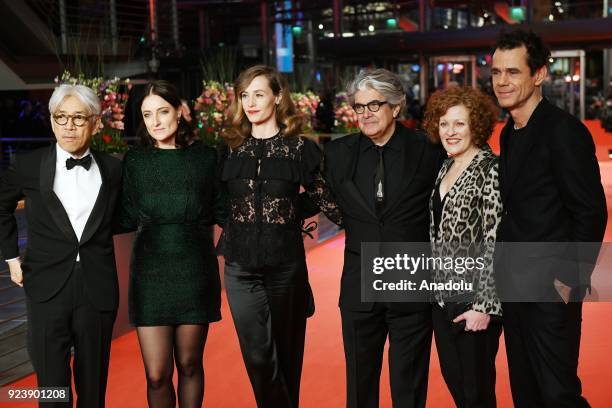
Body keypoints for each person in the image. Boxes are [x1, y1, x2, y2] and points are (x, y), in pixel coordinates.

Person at [491, 29, 607, 407]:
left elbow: (590, 210)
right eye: (496, 72)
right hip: (514, 285)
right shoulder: (510, 133)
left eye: (513, 72)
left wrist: (569, 281)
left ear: (538, 74)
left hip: (550, 291)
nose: (502, 82)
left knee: (558, 395)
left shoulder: (563, 131)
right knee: (525, 393)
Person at [218, 65, 342, 408]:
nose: (251, 102)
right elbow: (219, 200)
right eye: (245, 95)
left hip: (286, 268)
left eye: (259, 93)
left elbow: (324, 199)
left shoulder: (298, 148)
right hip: (240, 268)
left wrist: (286, 209)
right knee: (259, 358)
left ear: (278, 96)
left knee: (288, 360)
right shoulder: (229, 147)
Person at [323, 68, 445, 408]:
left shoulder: (429, 149)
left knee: (409, 387)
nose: (366, 114)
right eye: (359, 107)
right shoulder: (337, 153)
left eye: (374, 105)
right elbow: (315, 198)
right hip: (359, 287)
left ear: (397, 106)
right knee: (360, 389)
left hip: (410, 283)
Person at [0, 84, 123, 407]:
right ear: (52, 121)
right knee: (52, 391)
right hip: (45, 288)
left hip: (97, 291)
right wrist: (11, 257)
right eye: (61, 117)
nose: (68, 126)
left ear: (95, 122)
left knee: (93, 389)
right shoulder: (29, 166)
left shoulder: (113, 169)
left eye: (78, 118)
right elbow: (1, 205)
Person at [118, 81, 225, 407]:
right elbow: (122, 216)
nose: (156, 122)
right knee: (156, 375)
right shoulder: (135, 161)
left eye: (162, 111)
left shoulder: (206, 157)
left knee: (190, 365)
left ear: (180, 110)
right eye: (147, 114)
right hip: (149, 274)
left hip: (194, 270)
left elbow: (223, 210)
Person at [422, 86, 503, 407]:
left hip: (474, 300)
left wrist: (485, 305)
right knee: (456, 383)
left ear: (476, 125)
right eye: (444, 124)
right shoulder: (445, 166)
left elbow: (496, 240)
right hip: (442, 299)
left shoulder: (490, 169)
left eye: (459, 124)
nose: (450, 132)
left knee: (477, 393)